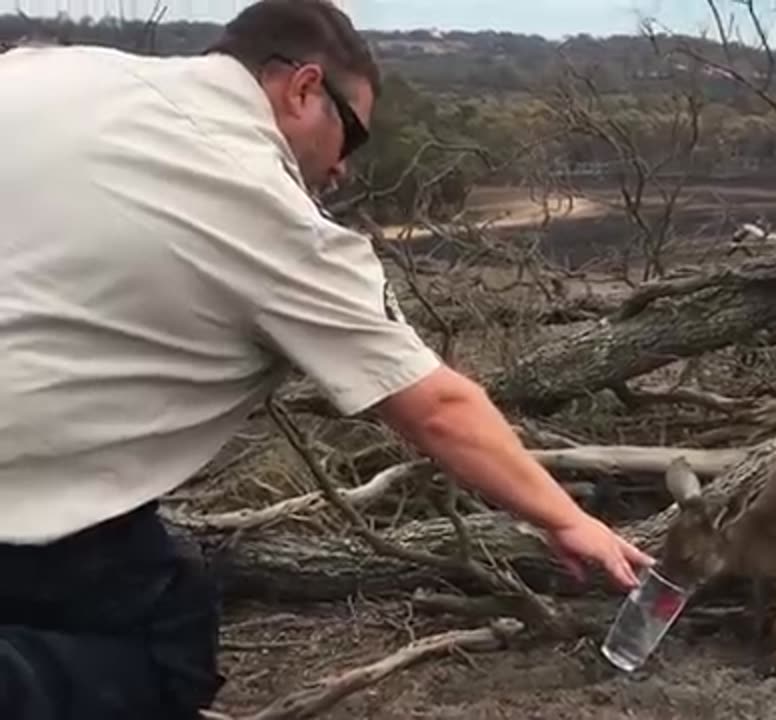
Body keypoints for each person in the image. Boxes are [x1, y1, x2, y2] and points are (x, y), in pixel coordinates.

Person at [0, 1, 653, 717]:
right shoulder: (264, 208)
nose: (343, 168)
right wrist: (567, 519)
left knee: (163, 581)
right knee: (165, 656)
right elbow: (436, 407)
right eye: (354, 135)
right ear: (303, 88)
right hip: (20, 497)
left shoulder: (49, 70)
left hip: (44, 481)